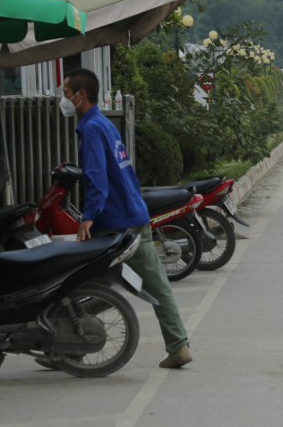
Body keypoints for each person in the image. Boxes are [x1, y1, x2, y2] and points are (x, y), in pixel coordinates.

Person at [54, 68, 192, 369]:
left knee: (89, 283)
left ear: (81, 95)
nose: (63, 99)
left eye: (65, 94)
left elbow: (96, 178)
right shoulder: (103, 123)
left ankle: (177, 345)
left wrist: (88, 217)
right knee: (106, 284)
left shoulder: (92, 128)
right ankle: (72, 346)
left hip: (117, 222)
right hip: (131, 214)